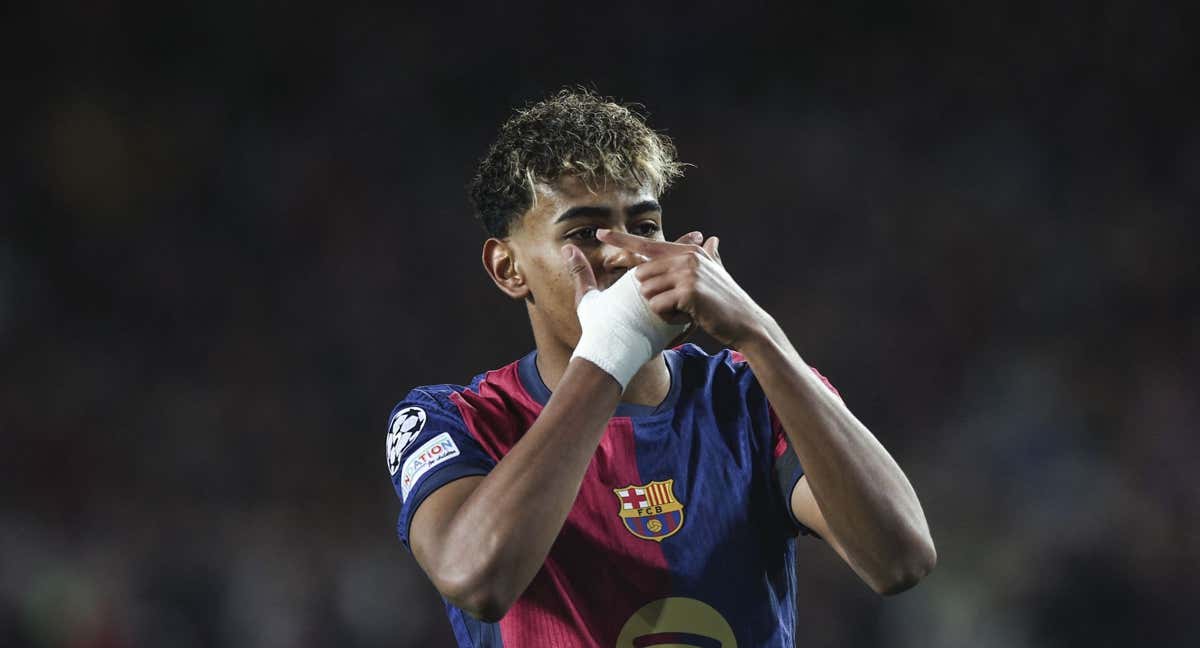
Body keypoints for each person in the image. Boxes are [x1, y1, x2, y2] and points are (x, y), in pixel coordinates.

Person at [384, 89, 936, 647]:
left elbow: (900, 559)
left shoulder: (749, 393)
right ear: (508, 268)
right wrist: (610, 352)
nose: (625, 253)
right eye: (582, 233)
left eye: (645, 226)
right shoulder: (452, 420)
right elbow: (477, 579)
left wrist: (761, 334)